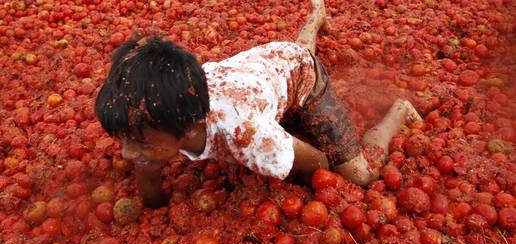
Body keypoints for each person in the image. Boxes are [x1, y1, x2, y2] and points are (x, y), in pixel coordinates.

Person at [95, 0, 421, 208]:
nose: (125, 152)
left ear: (192, 126)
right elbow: (153, 201)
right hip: (261, 67)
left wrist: (303, 162)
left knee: (359, 175)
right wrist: (146, 168)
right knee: (290, 56)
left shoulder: (247, 136)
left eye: (138, 142)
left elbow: (318, 161)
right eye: (123, 139)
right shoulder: (166, 99)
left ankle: (399, 111)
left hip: (301, 80)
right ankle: (315, 20)